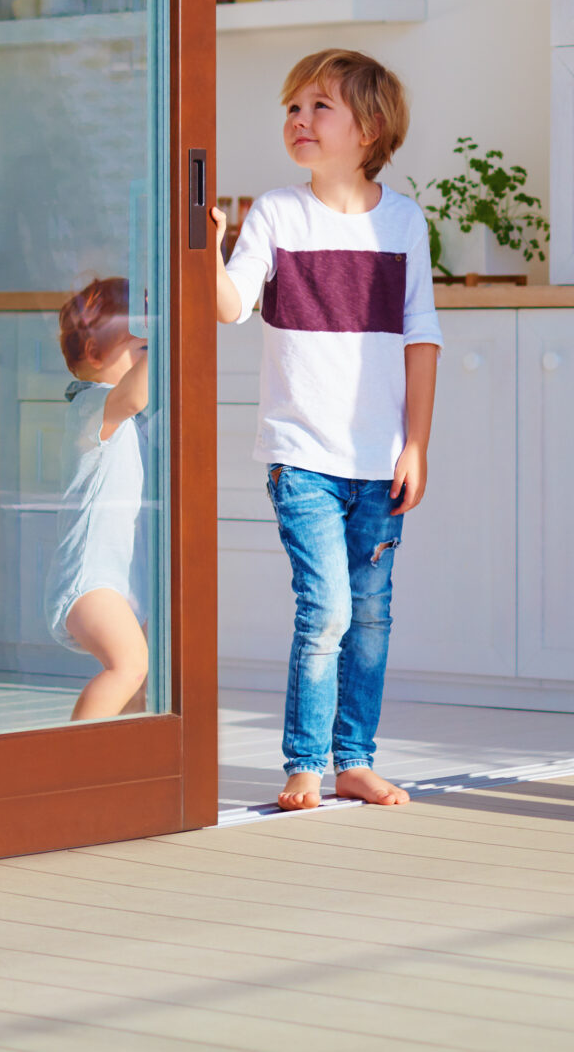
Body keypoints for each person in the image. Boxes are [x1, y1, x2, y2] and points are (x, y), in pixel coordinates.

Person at [208, 49, 442, 811]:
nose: (299, 121)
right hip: (301, 455)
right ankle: (304, 762)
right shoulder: (277, 213)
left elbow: (420, 338)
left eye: (319, 107)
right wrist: (206, 245)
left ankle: (355, 759)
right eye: (292, 108)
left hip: (379, 459)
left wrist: (416, 444)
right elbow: (230, 304)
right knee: (329, 610)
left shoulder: (403, 221)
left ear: (369, 128)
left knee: (371, 614)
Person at [48, 276, 153, 722]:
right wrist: (172, 327)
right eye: (141, 348)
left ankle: (124, 767)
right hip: (90, 580)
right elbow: (133, 397)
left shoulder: (126, 415)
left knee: (142, 682)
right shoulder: (92, 404)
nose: (151, 355)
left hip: (120, 579)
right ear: (94, 355)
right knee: (128, 666)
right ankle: (77, 766)